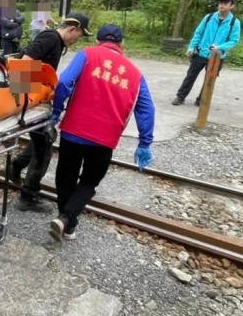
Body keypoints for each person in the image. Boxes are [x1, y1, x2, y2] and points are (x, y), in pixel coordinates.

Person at [49, 24, 155, 242]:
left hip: (73, 131)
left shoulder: (87, 54)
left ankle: (66, 221)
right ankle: (67, 221)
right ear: (121, 44)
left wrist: (56, 111)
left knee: (65, 177)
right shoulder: (135, 74)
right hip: (105, 139)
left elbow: (65, 82)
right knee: (89, 181)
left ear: (98, 41)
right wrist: (145, 142)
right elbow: (146, 108)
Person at [9, 12, 91, 212]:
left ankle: (16, 166)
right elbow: (25, 61)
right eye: (78, 36)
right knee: (44, 146)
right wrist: (28, 100)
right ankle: (28, 196)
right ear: (72, 29)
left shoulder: (55, 42)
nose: (77, 40)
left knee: (40, 140)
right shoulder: (50, 38)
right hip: (30, 102)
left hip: (33, 100)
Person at [172, 0, 241, 106]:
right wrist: (191, 47)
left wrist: (220, 47)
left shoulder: (234, 22)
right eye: (220, 3)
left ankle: (201, 99)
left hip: (217, 56)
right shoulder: (209, 17)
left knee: (209, 79)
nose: (221, 5)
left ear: (232, 6)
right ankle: (180, 97)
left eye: (225, 3)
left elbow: (234, 40)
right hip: (201, 53)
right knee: (190, 76)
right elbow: (198, 33)